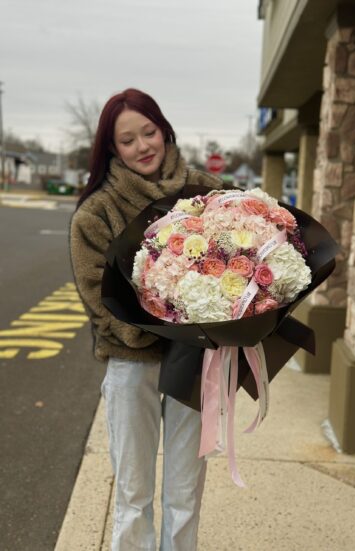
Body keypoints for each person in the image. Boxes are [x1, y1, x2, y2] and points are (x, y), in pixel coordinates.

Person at [69, 88, 223, 551]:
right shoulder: (97, 212)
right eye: (128, 140)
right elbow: (98, 296)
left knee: (185, 492)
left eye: (149, 132)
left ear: (164, 129)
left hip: (195, 360)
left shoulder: (207, 192)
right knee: (133, 496)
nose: (143, 147)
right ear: (112, 150)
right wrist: (148, 325)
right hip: (131, 361)